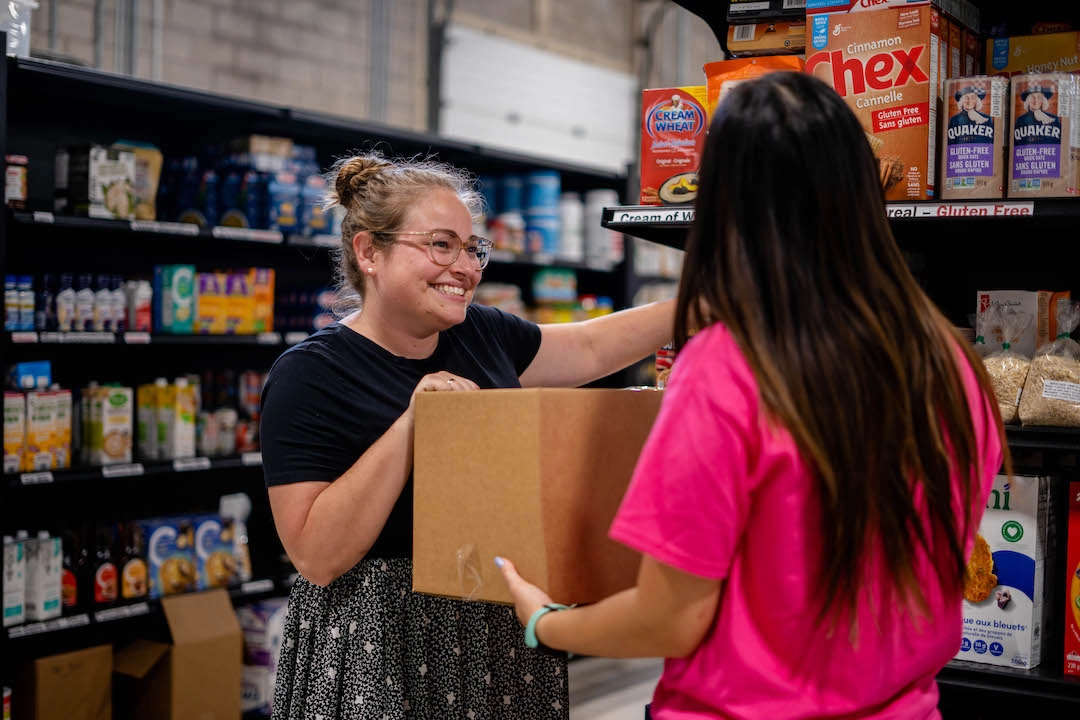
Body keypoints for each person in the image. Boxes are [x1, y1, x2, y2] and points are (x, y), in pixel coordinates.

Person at [498, 71, 1009, 719]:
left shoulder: (730, 367)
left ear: (724, 201)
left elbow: (669, 619)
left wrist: (545, 621)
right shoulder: (948, 361)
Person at [260, 151, 674, 719]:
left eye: (472, 248)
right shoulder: (311, 373)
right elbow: (316, 556)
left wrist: (704, 301)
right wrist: (414, 426)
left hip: (495, 634)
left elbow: (589, 348)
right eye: (441, 244)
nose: (466, 266)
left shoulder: (481, 333)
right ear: (368, 252)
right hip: (379, 646)